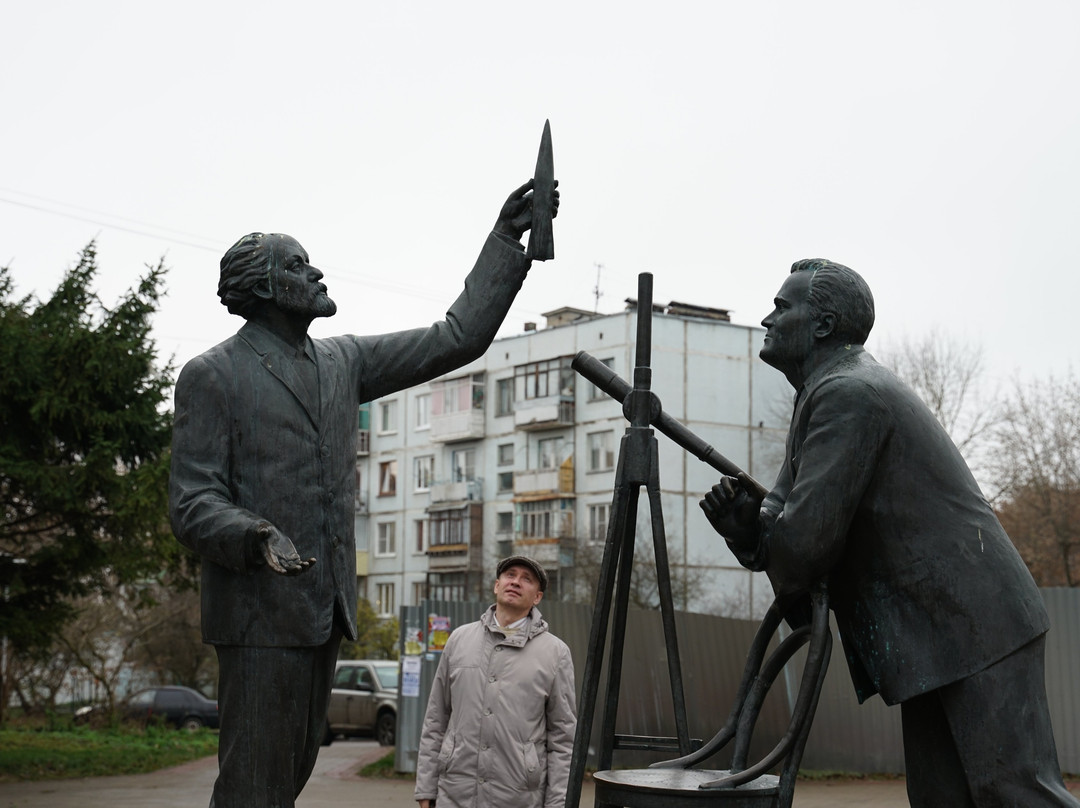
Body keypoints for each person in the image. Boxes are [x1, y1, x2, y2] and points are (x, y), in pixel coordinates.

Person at [168, 180, 557, 808]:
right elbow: (191, 500)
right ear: (265, 288)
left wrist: (506, 240)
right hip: (259, 616)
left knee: (282, 782)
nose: (317, 272)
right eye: (297, 265)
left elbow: (456, 337)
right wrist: (252, 532)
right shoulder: (214, 375)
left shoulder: (340, 362)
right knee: (252, 786)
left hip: (322, 610)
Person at [701, 258, 1079, 807]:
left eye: (782, 308)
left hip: (976, 620)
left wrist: (768, 535)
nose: (767, 319)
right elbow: (783, 519)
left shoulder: (850, 394)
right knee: (942, 798)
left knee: (1014, 792)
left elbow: (804, 544)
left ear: (823, 324)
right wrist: (745, 530)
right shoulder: (823, 396)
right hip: (937, 632)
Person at [415, 556, 577, 808]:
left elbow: (563, 738)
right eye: (510, 575)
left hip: (518, 796)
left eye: (527, 579)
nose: (516, 582)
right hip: (455, 793)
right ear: (496, 585)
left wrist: (558, 804)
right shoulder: (459, 640)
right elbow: (436, 719)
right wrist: (426, 787)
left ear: (537, 597)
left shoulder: (555, 653)